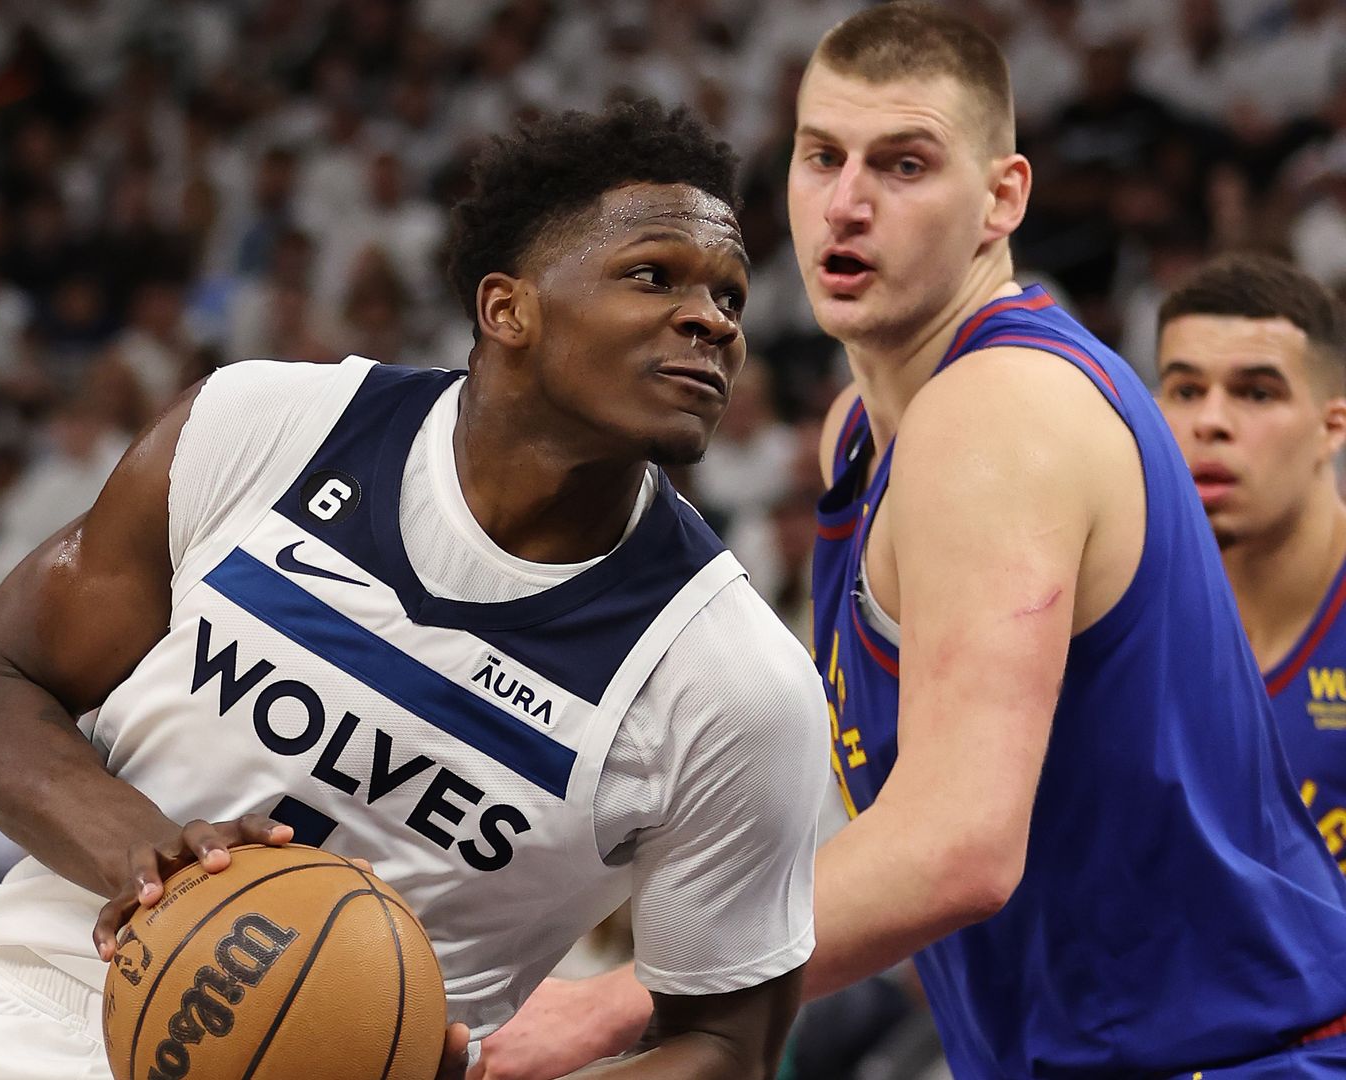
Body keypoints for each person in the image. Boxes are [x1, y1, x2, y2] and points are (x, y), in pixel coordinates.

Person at [0, 98, 829, 1080]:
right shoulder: (266, 427)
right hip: (44, 1018)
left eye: (731, 296)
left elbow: (727, 1043)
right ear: (508, 309)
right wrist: (157, 862)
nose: (712, 320)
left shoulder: (733, 683)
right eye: (654, 275)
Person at [473, 5, 1346, 1079]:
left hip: (1243, 1057)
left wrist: (613, 1003)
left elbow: (957, 846)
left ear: (1002, 198)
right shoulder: (860, 431)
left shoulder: (999, 415)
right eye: (822, 157)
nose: (847, 203)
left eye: (904, 165)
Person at [1154, 254, 1346, 869]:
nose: (1210, 422)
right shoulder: (1112, 607)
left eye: (1256, 393)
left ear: (1332, 426)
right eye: (1186, 391)